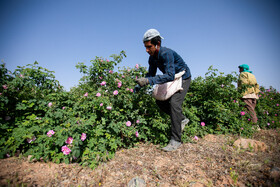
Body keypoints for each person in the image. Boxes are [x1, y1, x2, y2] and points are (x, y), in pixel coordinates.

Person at [134, 29, 191, 151]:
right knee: (160, 101)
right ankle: (181, 119)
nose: (146, 50)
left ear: (157, 44)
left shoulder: (166, 53)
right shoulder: (152, 58)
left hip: (183, 77)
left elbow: (169, 75)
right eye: (145, 47)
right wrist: (140, 85)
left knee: (175, 103)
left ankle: (176, 140)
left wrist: (149, 81)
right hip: (173, 78)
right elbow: (151, 74)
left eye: (149, 47)